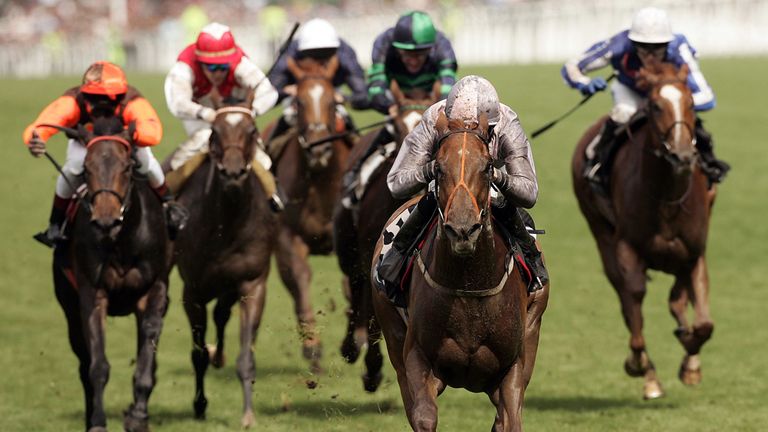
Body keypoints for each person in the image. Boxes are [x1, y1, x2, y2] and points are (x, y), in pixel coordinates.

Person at [376, 75, 548, 297]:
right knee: (427, 204)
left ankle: (534, 269)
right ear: (447, 120)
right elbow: (396, 183)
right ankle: (393, 265)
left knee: (509, 209)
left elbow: (529, 193)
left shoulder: (507, 122)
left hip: (486, 182)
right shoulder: (432, 119)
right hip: (444, 182)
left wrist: (494, 175)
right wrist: (432, 169)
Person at [23, 61, 187, 247]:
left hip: (122, 143)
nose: (103, 104)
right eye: (94, 97)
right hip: (86, 144)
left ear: (121, 94)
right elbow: (43, 125)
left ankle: (169, 204)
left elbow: (153, 132)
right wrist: (36, 140)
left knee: (146, 162)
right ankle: (55, 224)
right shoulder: (72, 101)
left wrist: (134, 135)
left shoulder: (132, 101)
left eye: (111, 98)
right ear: (84, 92)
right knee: (73, 168)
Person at [561, 6, 729, 188]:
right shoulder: (619, 44)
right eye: (643, 47)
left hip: (668, 99)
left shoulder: (679, 47)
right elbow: (573, 66)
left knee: (683, 121)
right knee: (623, 113)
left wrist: (675, 104)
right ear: (633, 42)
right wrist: (584, 83)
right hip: (630, 91)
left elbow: (707, 96)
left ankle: (710, 165)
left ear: (667, 43)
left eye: (657, 47)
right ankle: (598, 163)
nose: (649, 54)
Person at [164, 22, 282, 210]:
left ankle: (273, 195)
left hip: (235, 113)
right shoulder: (184, 67)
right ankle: (168, 192)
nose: (217, 73)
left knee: (257, 152)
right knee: (202, 140)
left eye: (222, 67)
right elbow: (177, 103)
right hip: (200, 115)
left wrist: (247, 113)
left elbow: (269, 93)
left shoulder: (241, 63)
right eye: (210, 68)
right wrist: (207, 114)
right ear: (199, 61)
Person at [343, 10, 458, 203]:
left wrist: (434, 109)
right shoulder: (383, 43)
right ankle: (354, 176)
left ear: (430, 49)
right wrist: (389, 106)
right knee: (388, 128)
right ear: (397, 48)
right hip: (397, 101)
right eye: (406, 54)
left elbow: (448, 87)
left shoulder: (442, 45)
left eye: (420, 54)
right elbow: (376, 88)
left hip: (431, 100)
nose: (413, 60)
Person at [267, 18, 368, 145]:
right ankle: (267, 154)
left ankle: (359, 154)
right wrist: (286, 92)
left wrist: (343, 98)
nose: (319, 60)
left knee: (345, 120)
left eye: (325, 53)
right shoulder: (289, 53)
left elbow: (363, 95)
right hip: (297, 96)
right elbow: (268, 93)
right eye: (313, 54)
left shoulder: (345, 53)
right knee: (287, 118)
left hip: (331, 93)